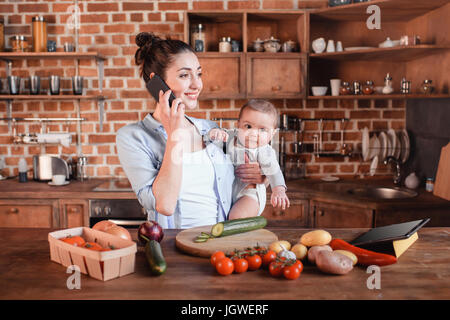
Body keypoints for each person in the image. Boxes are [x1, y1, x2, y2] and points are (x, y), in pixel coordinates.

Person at [116, 32, 265, 229]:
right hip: (172, 250)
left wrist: (261, 176)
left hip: (218, 249)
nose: (197, 84)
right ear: (156, 82)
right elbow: (165, 205)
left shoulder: (211, 130)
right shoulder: (134, 138)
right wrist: (174, 134)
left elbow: (243, 190)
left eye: (199, 74)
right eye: (185, 75)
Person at [207, 99, 289, 220]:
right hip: (228, 191)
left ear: (272, 134)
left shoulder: (264, 151)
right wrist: (214, 134)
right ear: (238, 125)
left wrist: (279, 190)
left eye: (262, 129)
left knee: (236, 217)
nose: (253, 133)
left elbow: (274, 172)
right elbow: (215, 139)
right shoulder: (231, 137)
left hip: (249, 194)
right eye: (248, 126)